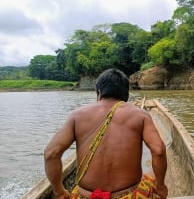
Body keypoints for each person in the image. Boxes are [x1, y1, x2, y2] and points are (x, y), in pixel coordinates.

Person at [44, 68, 168, 199]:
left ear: (99, 93)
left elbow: (51, 153)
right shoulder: (140, 115)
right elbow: (158, 150)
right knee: (150, 178)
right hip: (129, 196)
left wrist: (59, 191)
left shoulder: (76, 115)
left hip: (85, 196)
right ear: (126, 94)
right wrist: (161, 186)